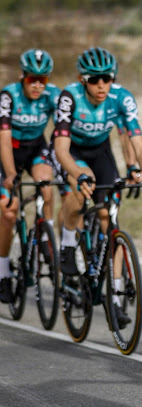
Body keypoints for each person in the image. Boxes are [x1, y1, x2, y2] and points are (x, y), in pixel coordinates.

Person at [54, 47, 142, 326]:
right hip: (73, 152)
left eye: (107, 78)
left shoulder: (121, 98)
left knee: (109, 219)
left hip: (101, 150)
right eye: (94, 80)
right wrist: (78, 174)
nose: (101, 85)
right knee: (80, 191)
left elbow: (137, 141)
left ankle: (114, 296)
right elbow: (61, 149)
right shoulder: (70, 97)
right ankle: (68, 243)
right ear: (83, 80)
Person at [0, 49, 60, 303]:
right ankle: (2, 272)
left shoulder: (53, 95)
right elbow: (3, 139)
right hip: (7, 151)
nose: (37, 85)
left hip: (36, 147)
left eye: (42, 80)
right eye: (31, 79)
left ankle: (44, 237)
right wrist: (11, 173)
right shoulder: (8, 96)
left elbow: (62, 131)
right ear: (22, 76)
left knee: (46, 189)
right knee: (8, 211)